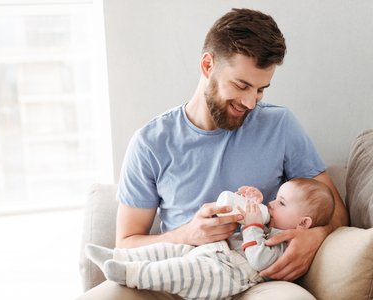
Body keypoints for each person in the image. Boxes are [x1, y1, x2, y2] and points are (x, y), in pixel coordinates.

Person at [77, 7, 348, 300]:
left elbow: (336, 210)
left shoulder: (280, 126)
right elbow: (126, 244)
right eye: (241, 85)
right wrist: (187, 234)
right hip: (176, 274)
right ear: (208, 66)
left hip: (253, 279)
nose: (250, 103)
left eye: (260, 90)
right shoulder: (150, 143)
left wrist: (316, 235)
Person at [85, 178, 335, 300]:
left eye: (281, 202)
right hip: (215, 251)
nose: (272, 203)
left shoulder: (289, 243)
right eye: (274, 198)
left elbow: (259, 259)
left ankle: (129, 274)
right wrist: (252, 203)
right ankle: (119, 257)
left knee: (180, 269)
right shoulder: (272, 221)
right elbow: (243, 227)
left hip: (229, 274)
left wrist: (252, 224)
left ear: (303, 223)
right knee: (172, 251)